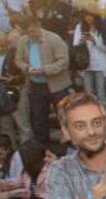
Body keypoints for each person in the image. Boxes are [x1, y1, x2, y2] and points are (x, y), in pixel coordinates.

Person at [15, 16, 72, 145]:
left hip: (57, 86)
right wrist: (27, 68)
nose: (31, 35)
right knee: (38, 118)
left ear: (38, 25)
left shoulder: (54, 39)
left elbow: (64, 61)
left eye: (33, 31)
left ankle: (70, 144)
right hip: (35, 85)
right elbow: (18, 60)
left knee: (64, 116)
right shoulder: (23, 41)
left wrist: (45, 70)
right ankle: (43, 148)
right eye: (28, 32)